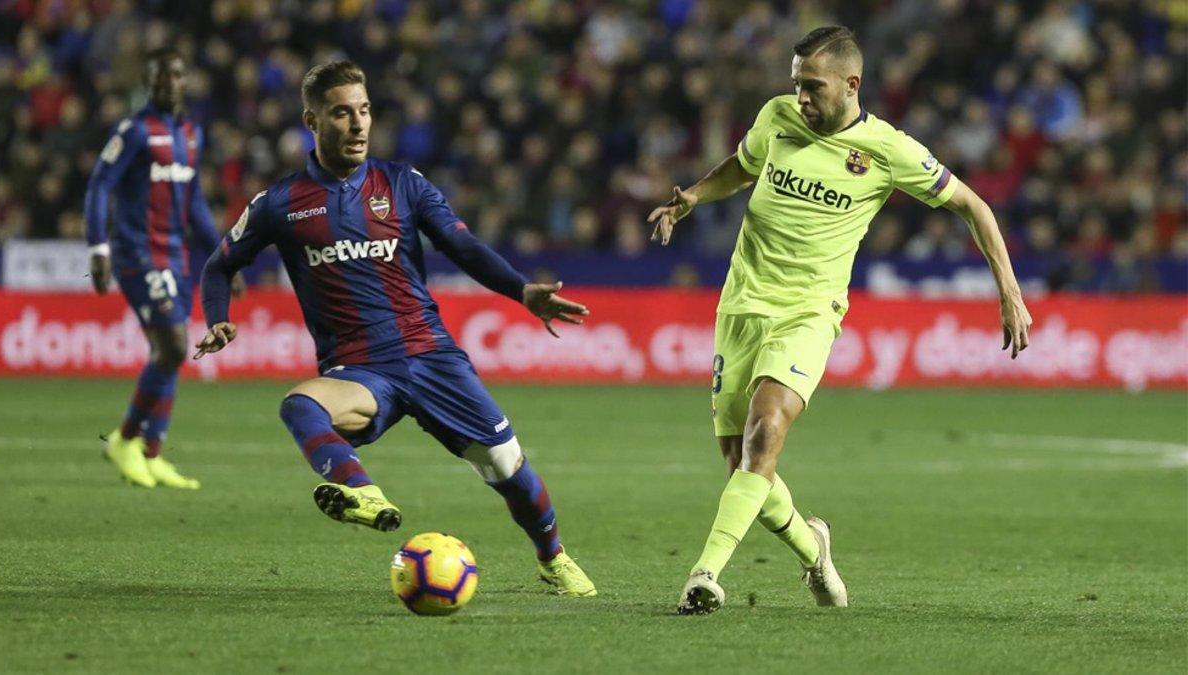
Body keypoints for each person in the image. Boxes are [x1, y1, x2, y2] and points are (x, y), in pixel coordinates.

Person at [647, 26, 1033, 614]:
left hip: (808, 311)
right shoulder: (777, 115)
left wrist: (1008, 288)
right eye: (796, 84)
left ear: (852, 84)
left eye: (813, 86)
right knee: (743, 468)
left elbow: (971, 205)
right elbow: (742, 165)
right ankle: (814, 551)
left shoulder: (888, 150)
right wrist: (695, 195)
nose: (801, 96)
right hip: (742, 304)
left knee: (766, 430)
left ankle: (704, 574)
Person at [193, 61, 597, 596]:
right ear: (311, 120)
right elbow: (218, 264)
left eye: (364, 110)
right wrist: (219, 316)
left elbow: (463, 245)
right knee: (299, 405)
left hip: (431, 355)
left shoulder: (402, 185)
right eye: (342, 113)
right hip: (360, 370)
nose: (358, 124)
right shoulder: (280, 204)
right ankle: (361, 492)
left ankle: (553, 558)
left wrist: (522, 291)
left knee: (505, 465)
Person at [86, 47, 241, 489]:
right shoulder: (134, 131)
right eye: (158, 77)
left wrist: (224, 254)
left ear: (183, 80)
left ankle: (152, 454)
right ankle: (125, 438)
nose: (167, 83)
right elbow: (100, 184)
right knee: (173, 346)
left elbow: (192, 201)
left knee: (171, 351)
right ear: (148, 83)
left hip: (173, 256)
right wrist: (99, 248)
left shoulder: (191, 133)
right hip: (136, 252)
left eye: (174, 75)